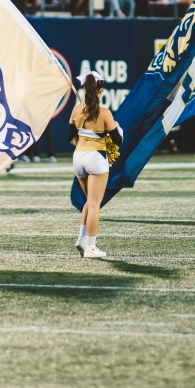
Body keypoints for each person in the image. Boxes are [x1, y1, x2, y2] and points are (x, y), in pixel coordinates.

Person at [70, 71, 119, 259]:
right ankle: (91, 247)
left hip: (78, 157)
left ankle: (82, 239)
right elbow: (118, 140)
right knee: (94, 204)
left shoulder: (76, 109)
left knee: (89, 201)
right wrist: (111, 130)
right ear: (100, 90)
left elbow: (70, 136)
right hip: (96, 158)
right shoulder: (105, 112)